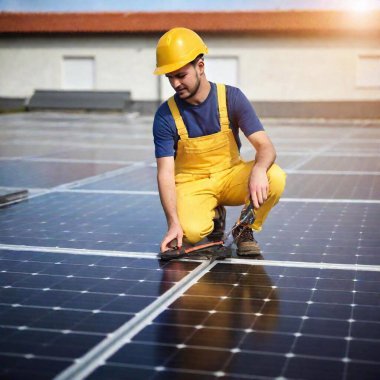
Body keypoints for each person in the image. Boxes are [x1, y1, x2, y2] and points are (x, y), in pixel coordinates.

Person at [153, 27, 286, 257]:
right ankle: (214, 215)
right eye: (170, 77)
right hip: (192, 183)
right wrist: (173, 223)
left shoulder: (231, 98)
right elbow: (165, 173)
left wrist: (259, 169)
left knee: (274, 177)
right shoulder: (165, 115)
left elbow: (265, 146)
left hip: (229, 175)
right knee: (190, 233)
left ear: (200, 66)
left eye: (181, 75)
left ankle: (244, 230)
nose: (175, 84)